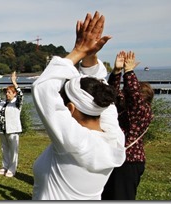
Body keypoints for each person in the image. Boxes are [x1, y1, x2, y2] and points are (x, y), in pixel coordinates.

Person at [31, 11, 126, 200]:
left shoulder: (73, 142)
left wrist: (79, 51)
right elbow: (99, 93)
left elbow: (43, 89)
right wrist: (89, 55)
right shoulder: (114, 138)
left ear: (71, 109)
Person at [102, 51, 154, 200]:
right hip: (117, 159)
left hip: (129, 163)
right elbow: (111, 94)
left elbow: (133, 96)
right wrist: (117, 72)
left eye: (125, 95)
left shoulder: (141, 111)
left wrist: (129, 72)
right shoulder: (126, 110)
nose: (122, 96)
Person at [0, 71, 24, 178]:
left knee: (13, 151)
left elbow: (21, 95)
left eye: (9, 92)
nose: (7, 94)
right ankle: (4, 166)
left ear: (14, 94)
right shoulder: (2, 102)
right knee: (4, 149)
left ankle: (12, 169)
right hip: (2, 130)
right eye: (6, 92)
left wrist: (14, 82)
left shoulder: (17, 103)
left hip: (13, 130)